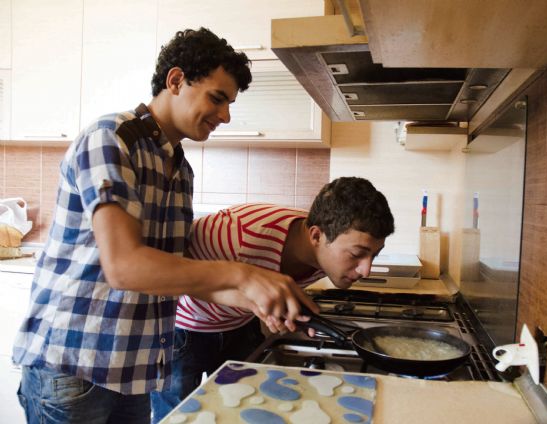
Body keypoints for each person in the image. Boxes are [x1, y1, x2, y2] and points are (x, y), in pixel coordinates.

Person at [12, 27, 316, 424]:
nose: (225, 115)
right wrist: (244, 275)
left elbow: (171, 274)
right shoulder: (111, 139)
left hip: (134, 372)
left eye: (229, 104)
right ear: (176, 81)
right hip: (74, 368)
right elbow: (125, 267)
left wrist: (257, 301)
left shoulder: (179, 168)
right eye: (217, 98)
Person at [150, 176, 395, 422]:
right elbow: (172, 275)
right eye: (357, 255)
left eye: (374, 255)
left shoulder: (329, 250)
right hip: (184, 331)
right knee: (174, 416)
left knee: (239, 411)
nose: (366, 270)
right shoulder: (239, 235)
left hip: (240, 326)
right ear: (316, 236)